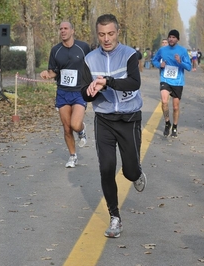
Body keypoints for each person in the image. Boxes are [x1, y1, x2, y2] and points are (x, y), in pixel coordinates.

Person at [80, 14, 147, 238]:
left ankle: (136, 172)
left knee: (129, 171)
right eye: (101, 34)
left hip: (129, 119)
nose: (106, 39)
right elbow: (83, 91)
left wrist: (107, 81)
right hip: (105, 120)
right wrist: (90, 92)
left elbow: (134, 82)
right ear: (97, 34)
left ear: (117, 32)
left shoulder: (129, 54)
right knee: (107, 168)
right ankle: (115, 217)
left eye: (110, 34)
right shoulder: (89, 59)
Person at [40, 21, 90, 168]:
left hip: (79, 91)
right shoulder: (55, 50)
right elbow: (54, 71)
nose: (63, 31)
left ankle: (81, 130)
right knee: (67, 127)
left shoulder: (83, 47)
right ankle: (72, 156)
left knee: (75, 124)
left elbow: (92, 64)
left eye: (66, 28)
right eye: (61, 29)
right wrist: (47, 74)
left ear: (72, 31)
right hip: (63, 92)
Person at [151, 29, 192, 137]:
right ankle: (167, 122)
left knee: (175, 107)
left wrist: (180, 62)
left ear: (177, 39)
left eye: (173, 37)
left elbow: (189, 67)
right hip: (165, 79)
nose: (171, 39)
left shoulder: (182, 51)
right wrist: (160, 65)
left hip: (178, 82)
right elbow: (154, 60)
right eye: (170, 37)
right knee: (164, 101)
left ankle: (174, 126)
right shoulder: (162, 50)